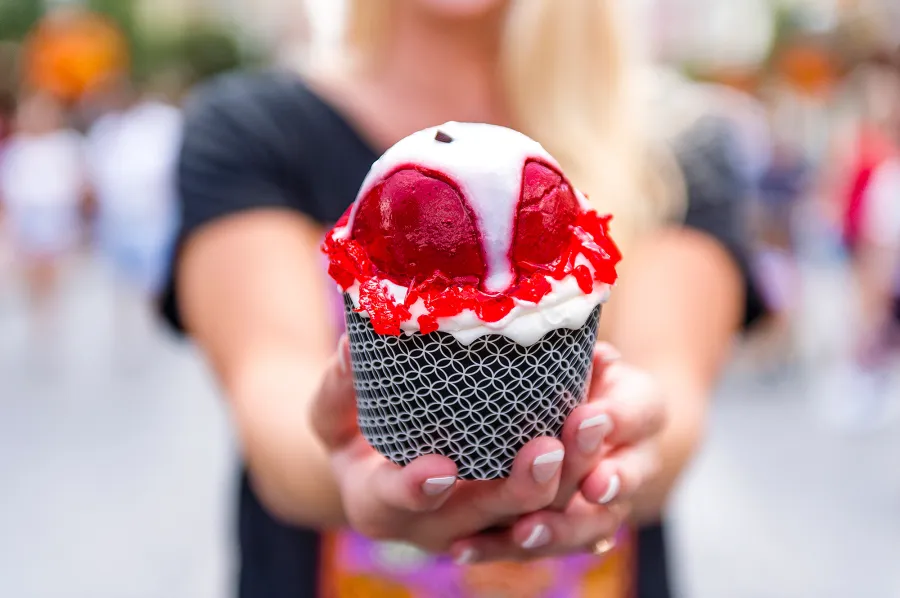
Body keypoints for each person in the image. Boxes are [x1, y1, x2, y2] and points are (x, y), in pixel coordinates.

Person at [162, 1, 757, 596]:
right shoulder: (254, 131)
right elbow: (275, 410)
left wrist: (624, 449)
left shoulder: (676, 141)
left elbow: (671, 400)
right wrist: (352, 473)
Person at [0, 91, 85, 360]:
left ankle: (49, 316)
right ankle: (38, 313)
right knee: (31, 269)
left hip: (55, 213)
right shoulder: (18, 148)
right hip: (29, 214)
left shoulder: (64, 145)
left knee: (52, 267)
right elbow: (9, 187)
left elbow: (77, 181)